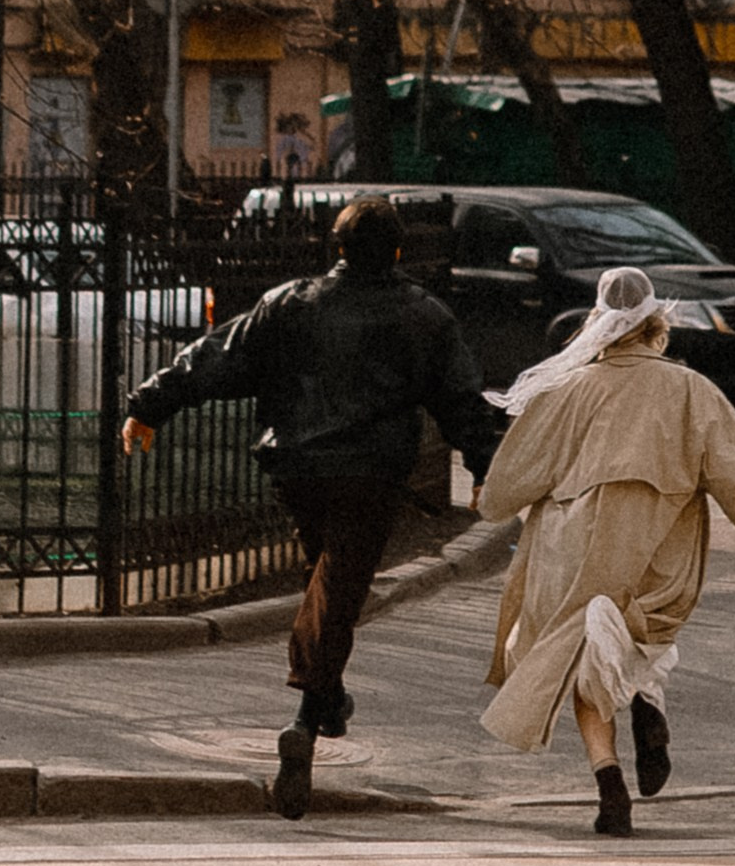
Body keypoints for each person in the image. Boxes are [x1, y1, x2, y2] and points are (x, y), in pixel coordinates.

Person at [123, 195, 504, 819]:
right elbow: (461, 400)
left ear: (338, 248)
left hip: (296, 468)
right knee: (341, 583)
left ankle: (327, 702)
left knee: (326, 578)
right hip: (370, 473)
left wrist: (149, 404)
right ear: (399, 251)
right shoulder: (425, 316)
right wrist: (486, 468)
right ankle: (306, 713)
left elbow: (219, 356)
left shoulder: (290, 303)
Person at [477, 265, 735, 837]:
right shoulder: (692, 393)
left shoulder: (566, 390)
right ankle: (649, 704)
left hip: (571, 552)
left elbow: (504, 489)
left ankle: (610, 786)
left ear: (598, 325)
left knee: (581, 653)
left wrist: (494, 493)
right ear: (659, 324)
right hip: (658, 553)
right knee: (638, 636)